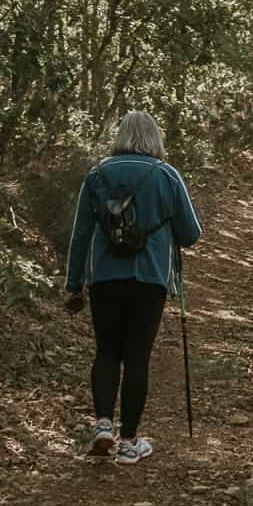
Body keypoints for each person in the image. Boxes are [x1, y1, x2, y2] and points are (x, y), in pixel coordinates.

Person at [63, 111, 202, 465]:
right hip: (151, 278)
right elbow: (191, 234)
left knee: (107, 351)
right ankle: (128, 443)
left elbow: (80, 235)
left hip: (105, 278)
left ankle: (103, 425)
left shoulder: (97, 174)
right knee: (137, 356)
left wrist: (73, 285)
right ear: (154, 138)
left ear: (120, 135)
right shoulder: (166, 174)